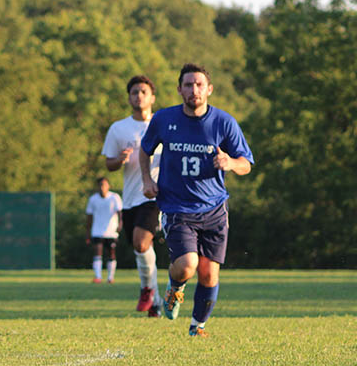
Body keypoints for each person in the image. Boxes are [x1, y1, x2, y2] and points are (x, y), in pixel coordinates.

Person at [139, 63, 253, 337]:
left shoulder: (224, 122)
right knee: (187, 265)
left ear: (209, 89)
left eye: (199, 84)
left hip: (214, 208)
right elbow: (145, 151)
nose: (194, 90)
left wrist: (230, 162)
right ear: (179, 89)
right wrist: (146, 180)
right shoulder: (164, 119)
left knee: (208, 274)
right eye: (188, 85)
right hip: (177, 207)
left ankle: (197, 327)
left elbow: (246, 163)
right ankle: (174, 288)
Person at [101, 75, 163, 315]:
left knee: (141, 241)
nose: (139, 96)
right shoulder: (119, 128)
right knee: (141, 249)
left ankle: (147, 289)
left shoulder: (162, 125)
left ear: (152, 97)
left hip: (156, 195)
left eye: (143, 92)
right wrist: (120, 159)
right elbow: (109, 164)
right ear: (129, 98)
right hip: (130, 198)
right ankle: (155, 299)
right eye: (134, 92)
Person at [85, 177, 123, 283]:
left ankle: (110, 277)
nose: (102, 187)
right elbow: (89, 217)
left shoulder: (115, 197)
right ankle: (98, 276)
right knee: (98, 252)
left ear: (108, 186)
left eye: (104, 185)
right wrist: (87, 232)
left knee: (111, 253)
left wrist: (120, 224)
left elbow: (120, 213)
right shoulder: (93, 199)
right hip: (97, 231)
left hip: (111, 231)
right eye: (100, 185)